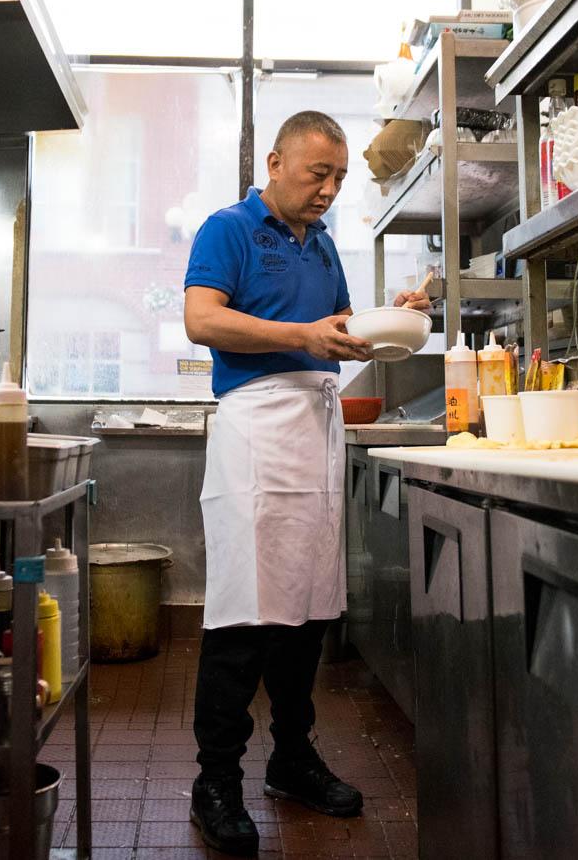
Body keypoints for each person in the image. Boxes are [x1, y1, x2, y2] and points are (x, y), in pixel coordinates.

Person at [183, 110, 430, 857]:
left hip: (316, 427)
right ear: (276, 162)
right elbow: (201, 320)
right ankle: (215, 779)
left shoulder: (321, 244)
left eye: (339, 179)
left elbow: (335, 328)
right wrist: (303, 336)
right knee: (245, 610)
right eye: (317, 173)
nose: (328, 190)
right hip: (257, 427)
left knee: (309, 607)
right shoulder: (227, 227)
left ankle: (292, 758)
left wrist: (387, 319)